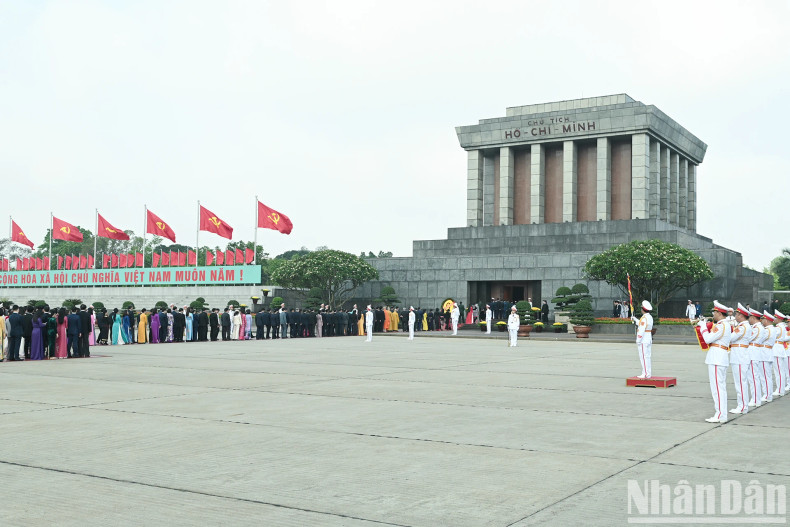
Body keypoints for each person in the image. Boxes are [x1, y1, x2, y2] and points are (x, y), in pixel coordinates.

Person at [697, 300, 731, 423]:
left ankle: (720, 414)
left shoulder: (722, 325)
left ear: (719, 313)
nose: (713, 314)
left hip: (717, 358)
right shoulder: (723, 325)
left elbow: (707, 339)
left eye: (714, 312)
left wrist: (703, 327)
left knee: (717, 388)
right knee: (719, 387)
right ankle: (721, 414)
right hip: (718, 357)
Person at [728, 303, 752, 415]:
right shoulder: (744, 326)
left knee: (740, 383)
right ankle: (742, 405)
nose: (735, 316)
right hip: (739, 355)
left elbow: (731, 337)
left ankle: (742, 406)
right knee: (740, 382)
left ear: (741, 315)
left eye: (737, 314)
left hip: (740, 356)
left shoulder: (742, 327)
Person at [631, 300, 654, 379]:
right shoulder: (649, 317)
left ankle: (645, 374)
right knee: (647, 357)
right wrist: (635, 319)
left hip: (644, 339)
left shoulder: (644, 318)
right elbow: (642, 324)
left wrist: (638, 339)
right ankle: (648, 373)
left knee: (643, 357)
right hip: (648, 338)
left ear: (643, 309)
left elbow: (641, 329)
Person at [747, 308, 765, 408]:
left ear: (753, 317)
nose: (749, 319)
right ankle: (756, 399)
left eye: (750, 317)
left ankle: (755, 399)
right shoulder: (759, 327)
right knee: (754, 377)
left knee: (753, 378)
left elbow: (748, 339)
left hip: (753, 352)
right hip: (755, 352)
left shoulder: (756, 328)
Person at [758, 310, 777, 403]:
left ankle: (767, 395)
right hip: (767, 353)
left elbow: (759, 340)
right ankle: (767, 394)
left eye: (763, 319)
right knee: (766, 376)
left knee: (765, 376)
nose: (761, 321)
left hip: (764, 354)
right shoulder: (772, 329)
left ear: (766, 320)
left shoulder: (767, 330)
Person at [771, 310, 788, 398]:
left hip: (777, 348)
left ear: (778, 318)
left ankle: (780, 389)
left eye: (775, 317)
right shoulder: (782, 327)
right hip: (779, 348)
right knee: (779, 371)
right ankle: (780, 389)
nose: (774, 319)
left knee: (779, 371)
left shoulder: (778, 327)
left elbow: (772, 336)